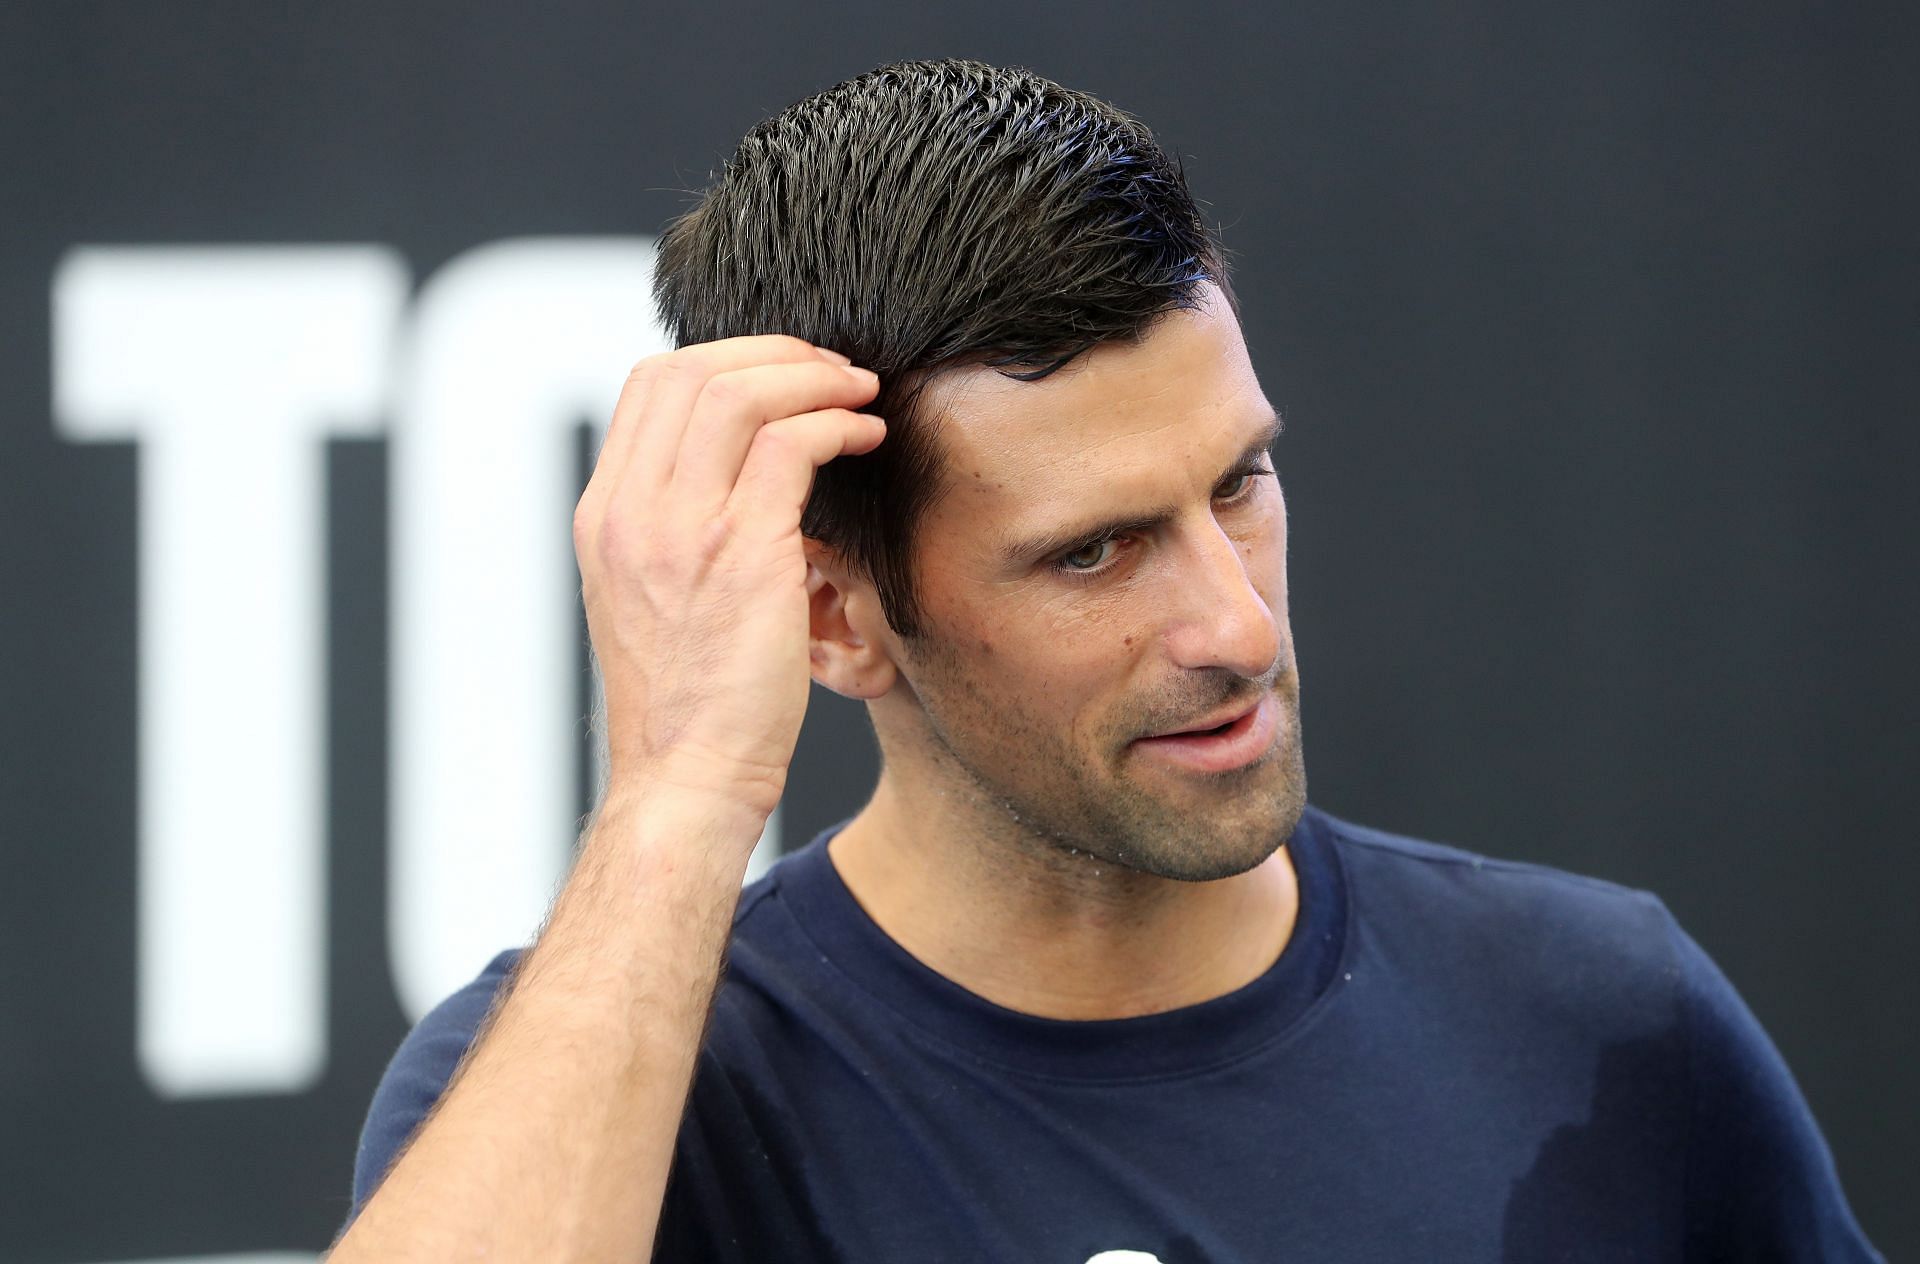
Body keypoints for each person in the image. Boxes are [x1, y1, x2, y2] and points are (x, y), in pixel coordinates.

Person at [330, 60, 1881, 1263]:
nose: (1239, 628)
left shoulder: (1602, 1017)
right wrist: (677, 794)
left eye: (1239, 487)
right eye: (1094, 551)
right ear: (833, 618)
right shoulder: (612, 1097)